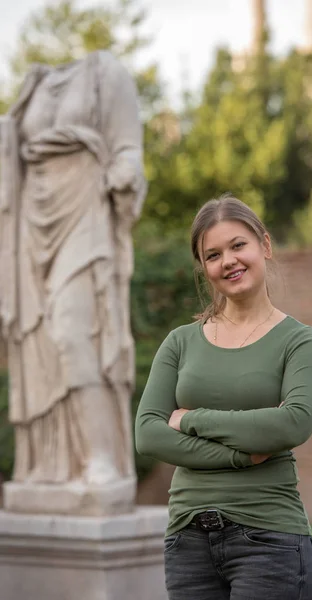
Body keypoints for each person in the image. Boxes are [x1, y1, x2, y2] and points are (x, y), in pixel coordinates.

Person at [135, 193, 312, 599]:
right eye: (213, 254)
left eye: (238, 245)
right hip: (187, 541)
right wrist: (240, 455)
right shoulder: (180, 342)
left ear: (265, 246)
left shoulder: (301, 342)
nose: (229, 261)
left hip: (269, 540)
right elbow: (148, 433)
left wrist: (189, 419)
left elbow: (292, 422)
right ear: (204, 268)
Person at [0, 50, 147, 486]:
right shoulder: (32, 87)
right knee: (39, 340)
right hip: (31, 222)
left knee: (73, 327)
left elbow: (128, 150)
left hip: (85, 209)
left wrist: (126, 176)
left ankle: (100, 456)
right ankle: (49, 465)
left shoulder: (107, 74)